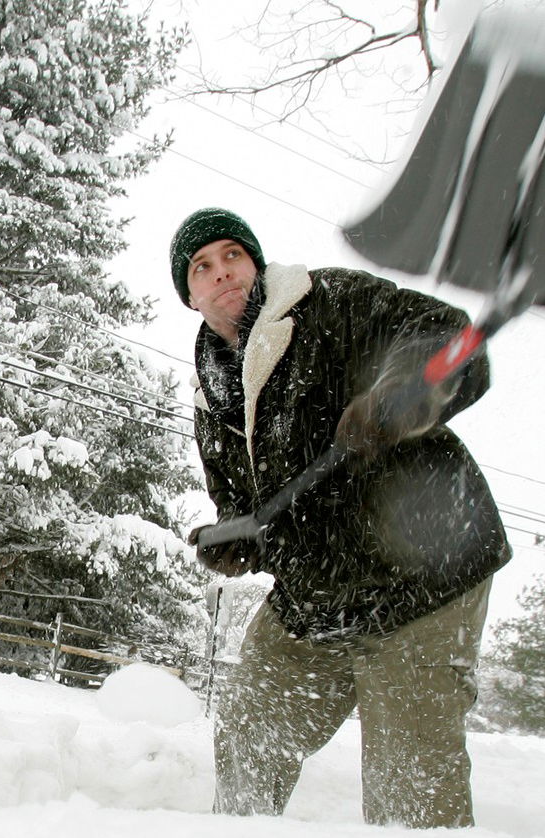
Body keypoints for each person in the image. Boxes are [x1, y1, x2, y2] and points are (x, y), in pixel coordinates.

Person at [173, 208, 511, 828]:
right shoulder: (211, 398)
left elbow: (451, 339)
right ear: (190, 296)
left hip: (421, 573)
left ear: (255, 263)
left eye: (232, 256)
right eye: (202, 267)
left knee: (408, 782)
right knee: (252, 731)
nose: (222, 272)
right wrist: (239, 539)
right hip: (318, 595)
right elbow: (247, 508)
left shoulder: (329, 304)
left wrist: (406, 391)